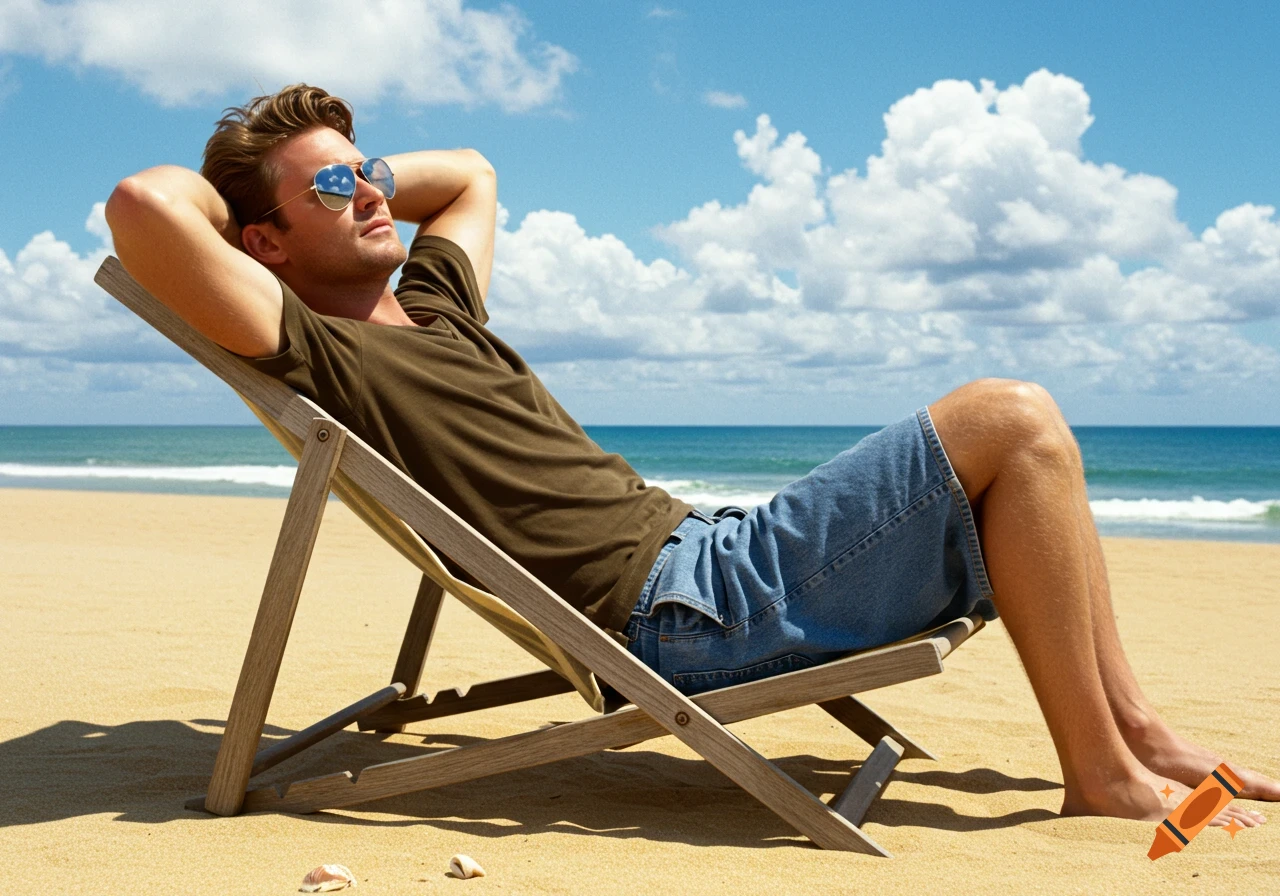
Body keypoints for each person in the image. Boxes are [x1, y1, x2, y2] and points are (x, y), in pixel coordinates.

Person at [105, 84, 1275, 828]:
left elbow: (470, 174)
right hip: (674, 616)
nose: (370, 189)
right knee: (1009, 416)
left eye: (367, 170)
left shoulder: (435, 302)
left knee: (1028, 439)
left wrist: (335, 171)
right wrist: (250, 196)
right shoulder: (311, 342)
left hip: (705, 554)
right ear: (260, 241)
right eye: (332, 184)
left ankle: (1135, 733)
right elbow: (141, 206)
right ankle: (1101, 772)